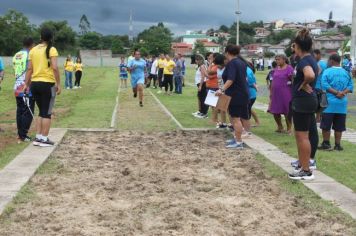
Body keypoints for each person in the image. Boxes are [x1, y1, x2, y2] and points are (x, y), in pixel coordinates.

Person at [288, 29, 319, 180]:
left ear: (298, 46)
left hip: (303, 101)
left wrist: (304, 84)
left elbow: (311, 74)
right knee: (302, 136)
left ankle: (306, 170)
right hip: (306, 100)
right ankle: (303, 165)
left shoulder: (305, 61)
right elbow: (316, 70)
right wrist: (306, 83)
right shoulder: (310, 59)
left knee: (302, 137)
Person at [23, 28, 61, 147]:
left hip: (35, 84)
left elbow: (29, 69)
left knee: (41, 112)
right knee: (47, 112)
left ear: (41, 37)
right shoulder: (52, 49)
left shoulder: (33, 50)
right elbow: (54, 68)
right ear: (51, 38)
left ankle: (38, 138)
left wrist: (26, 84)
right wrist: (58, 84)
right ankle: (44, 139)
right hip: (47, 84)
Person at [216, 45, 250, 149]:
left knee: (235, 119)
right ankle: (236, 138)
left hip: (236, 94)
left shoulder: (232, 63)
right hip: (242, 93)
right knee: (234, 117)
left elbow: (231, 79)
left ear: (227, 52)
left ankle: (239, 142)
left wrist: (221, 89)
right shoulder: (241, 62)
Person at [319, 54, 354, 151]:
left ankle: (326, 143)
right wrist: (343, 93)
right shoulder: (346, 72)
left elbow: (324, 84)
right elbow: (350, 86)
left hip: (329, 103)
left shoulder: (327, 71)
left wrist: (336, 92)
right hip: (342, 104)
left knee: (326, 125)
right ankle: (338, 145)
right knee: (339, 126)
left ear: (331, 61)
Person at [13, 37, 35, 142]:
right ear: (31, 45)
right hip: (26, 87)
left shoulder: (16, 55)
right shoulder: (30, 54)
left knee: (20, 111)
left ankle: (20, 134)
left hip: (17, 86)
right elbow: (30, 70)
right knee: (28, 111)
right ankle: (23, 135)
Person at [268, 54, 294, 134]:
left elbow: (293, 80)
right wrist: (271, 92)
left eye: (278, 59)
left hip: (286, 92)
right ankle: (280, 127)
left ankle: (289, 128)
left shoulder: (289, 68)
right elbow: (272, 81)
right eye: (276, 59)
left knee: (287, 111)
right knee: (275, 110)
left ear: (284, 59)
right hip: (275, 93)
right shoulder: (276, 69)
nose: (277, 61)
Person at [192, 54, 209, 118]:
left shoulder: (202, 66)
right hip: (200, 84)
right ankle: (201, 112)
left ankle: (204, 113)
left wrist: (200, 86)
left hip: (202, 84)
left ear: (200, 60)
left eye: (197, 60)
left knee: (203, 98)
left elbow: (203, 76)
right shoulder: (200, 66)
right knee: (200, 97)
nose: (196, 61)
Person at [206, 53, 220, 125]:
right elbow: (208, 74)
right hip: (209, 85)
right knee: (211, 104)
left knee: (214, 105)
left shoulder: (216, 66)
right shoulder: (213, 65)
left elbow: (208, 73)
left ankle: (215, 119)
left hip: (214, 86)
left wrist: (210, 64)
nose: (209, 59)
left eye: (211, 58)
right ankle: (214, 118)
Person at [214, 54, 228, 128]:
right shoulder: (218, 69)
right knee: (222, 108)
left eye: (219, 64)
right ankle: (223, 123)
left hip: (226, 90)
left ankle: (232, 124)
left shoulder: (227, 69)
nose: (218, 66)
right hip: (220, 89)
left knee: (228, 109)